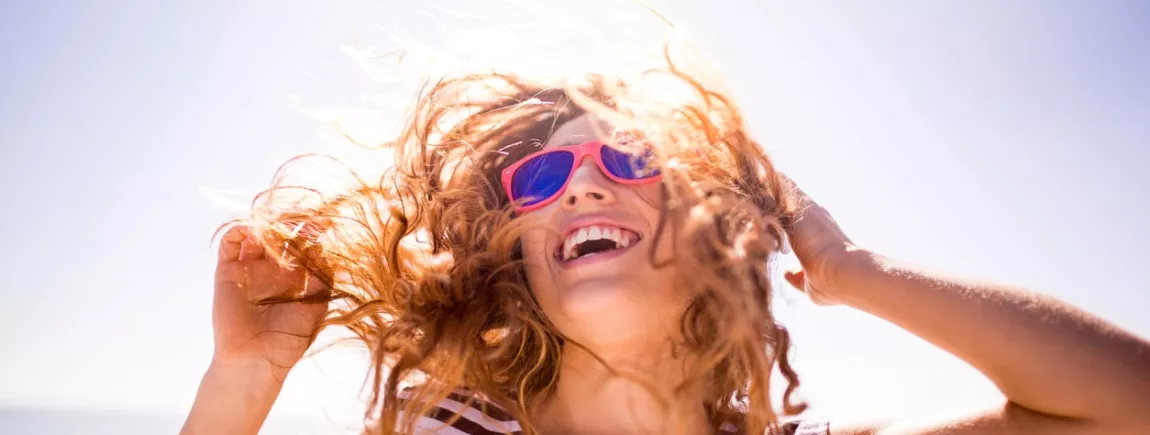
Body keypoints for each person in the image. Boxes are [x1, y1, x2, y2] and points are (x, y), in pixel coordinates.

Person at [180, 66, 1150, 435]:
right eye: (539, 182)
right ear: (517, 264)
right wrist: (242, 378)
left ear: (716, 236)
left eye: (629, 160)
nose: (583, 185)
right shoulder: (451, 429)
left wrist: (858, 273)